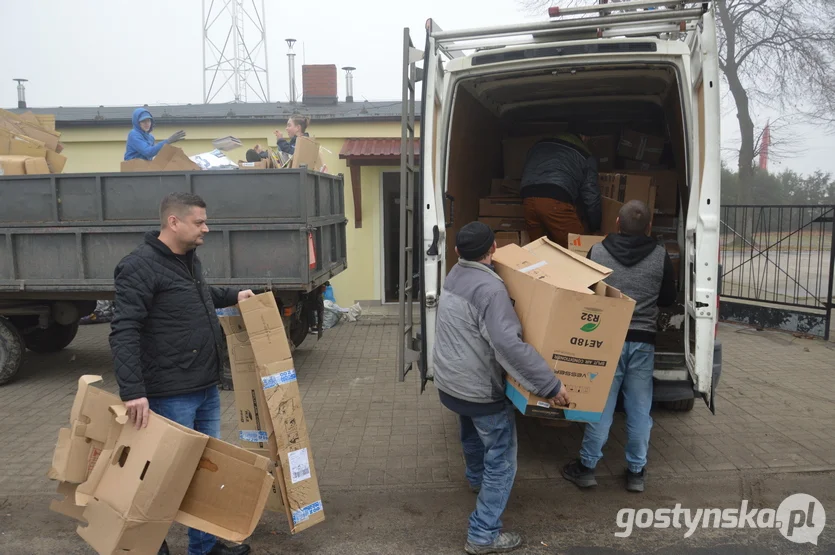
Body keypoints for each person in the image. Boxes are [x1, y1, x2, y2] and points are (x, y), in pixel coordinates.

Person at [109, 192, 255, 555]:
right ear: (173, 222)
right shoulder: (138, 266)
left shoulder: (189, 260)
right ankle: (149, 545)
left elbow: (199, 297)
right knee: (161, 476)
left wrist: (234, 295)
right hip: (170, 392)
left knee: (203, 475)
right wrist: (133, 391)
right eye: (199, 222)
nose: (206, 228)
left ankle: (203, 548)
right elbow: (123, 329)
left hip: (204, 386)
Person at [433, 221, 570, 554]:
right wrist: (549, 385)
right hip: (479, 388)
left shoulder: (454, 275)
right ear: (493, 249)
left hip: (451, 382)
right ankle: (483, 534)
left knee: (470, 434)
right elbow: (508, 346)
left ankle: (477, 481)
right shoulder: (491, 290)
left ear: (456, 252)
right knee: (503, 461)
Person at [562, 200, 677, 493]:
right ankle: (636, 473)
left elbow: (586, 294)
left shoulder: (598, 251)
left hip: (606, 341)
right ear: (649, 227)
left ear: (616, 223)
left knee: (601, 405)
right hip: (643, 342)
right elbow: (667, 299)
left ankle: (587, 468)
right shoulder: (660, 256)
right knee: (640, 408)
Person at [519, 131, 601, 248]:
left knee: (538, 251)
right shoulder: (585, 155)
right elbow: (591, 195)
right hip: (555, 201)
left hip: (527, 199)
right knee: (579, 249)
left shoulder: (540, 144)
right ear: (584, 136)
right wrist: (595, 226)